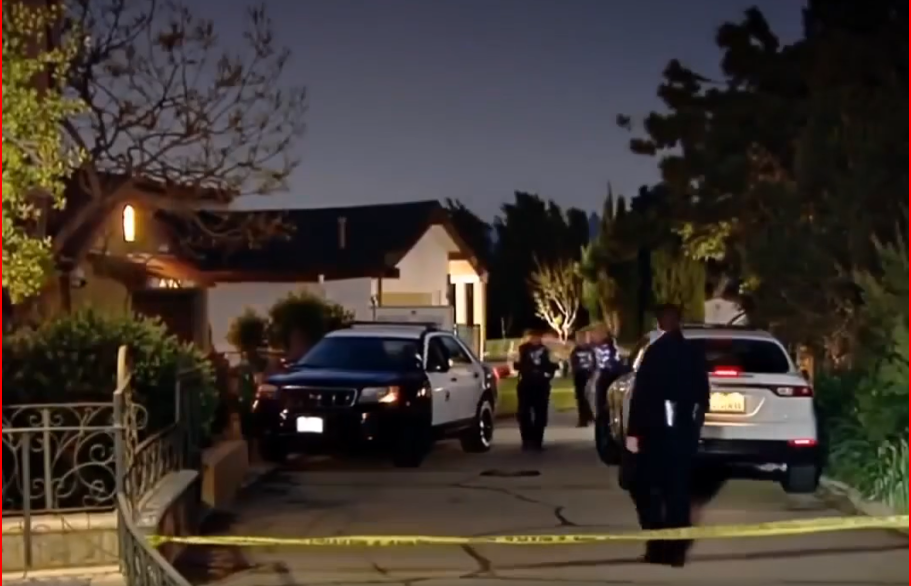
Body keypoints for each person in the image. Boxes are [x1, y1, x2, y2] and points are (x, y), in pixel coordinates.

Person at [625, 303, 710, 567]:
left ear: (660, 322)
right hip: (683, 435)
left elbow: (641, 396)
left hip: (656, 435)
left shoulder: (655, 352)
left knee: (648, 491)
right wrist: (693, 428)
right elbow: (703, 396)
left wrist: (633, 433)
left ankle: (657, 547)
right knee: (678, 494)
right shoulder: (692, 353)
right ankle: (676, 551)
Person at [514, 330, 558, 451]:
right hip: (526, 383)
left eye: (537, 337)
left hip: (541, 384)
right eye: (532, 337)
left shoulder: (546, 350)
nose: (535, 339)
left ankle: (538, 440)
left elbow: (553, 365)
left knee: (540, 412)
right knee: (524, 413)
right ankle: (526, 439)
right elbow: (516, 364)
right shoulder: (522, 349)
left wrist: (547, 375)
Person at [591, 328, 623, 420]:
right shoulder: (602, 346)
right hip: (608, 374)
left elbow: (609, 362)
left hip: (608, 375)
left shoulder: (607, 346)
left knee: (602, 400)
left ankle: (603, 419)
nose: (594, 336)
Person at [569, 331, 596, 427]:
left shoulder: (591, 350)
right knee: (581, 398)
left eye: (583, 338)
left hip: (589, 375)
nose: (581, 341)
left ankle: (588, 416)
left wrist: (593, 373)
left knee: (588, 397)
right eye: (579, 339)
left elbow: (595, 362)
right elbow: (573, 364)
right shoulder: (575, 351)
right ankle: (584, 418)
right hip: (579, 376)